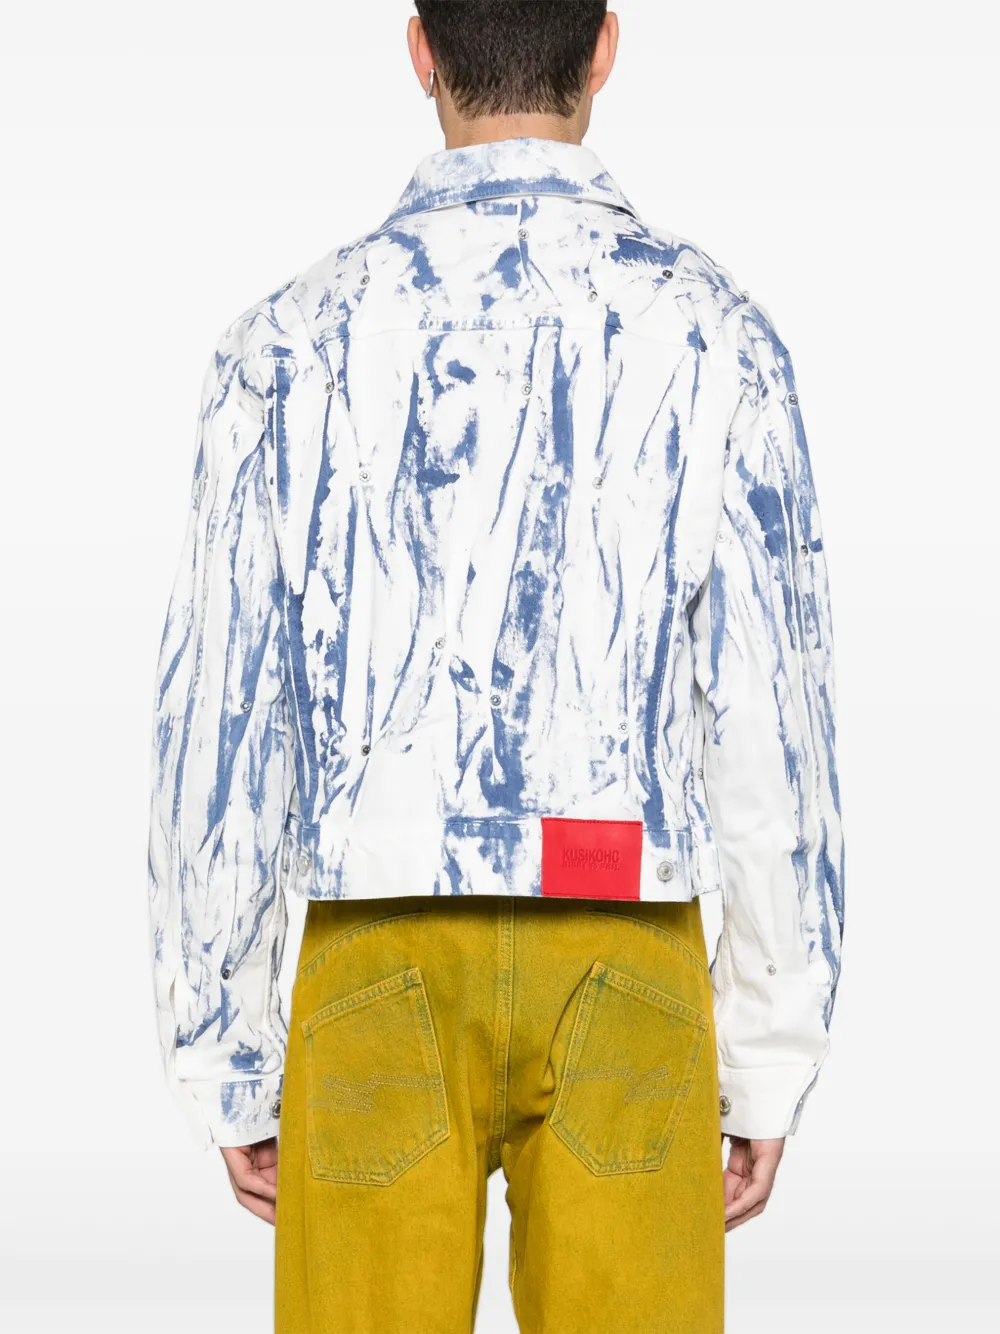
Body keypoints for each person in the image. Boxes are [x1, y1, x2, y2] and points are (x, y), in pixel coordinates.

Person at [145, 3, 845, 1330]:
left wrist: (224, 1051)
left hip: (374, 948)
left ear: (420, 50)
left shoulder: (283, 344)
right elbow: (772, 722)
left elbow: (221, 723)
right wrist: (769, 1049)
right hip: (627, 937)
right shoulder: (717, 336)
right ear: (605, 49)